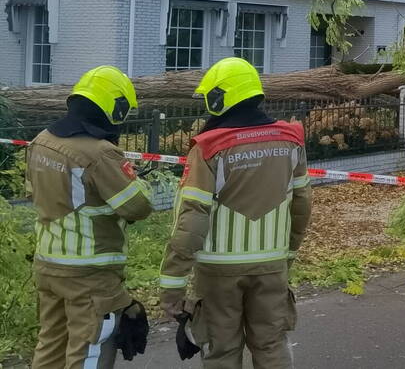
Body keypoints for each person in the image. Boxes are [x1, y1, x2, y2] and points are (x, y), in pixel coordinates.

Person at [158, 57, 312, 369]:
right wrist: (289, 253)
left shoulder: (210, 147)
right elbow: (302, 203)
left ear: (219, 98)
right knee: (271, 346)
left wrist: (172, 282)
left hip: (219, 272)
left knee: (221, 351)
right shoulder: (291, 140)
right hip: (272, 266)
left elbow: (192, 218)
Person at [27, 66, 153, 369]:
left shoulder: (41, 140)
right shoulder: (100, 153)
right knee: (87, 353)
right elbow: (137, 206)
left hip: (49, 265)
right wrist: (143, 183)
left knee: (51, 348)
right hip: (89, 273)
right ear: (115, 108)